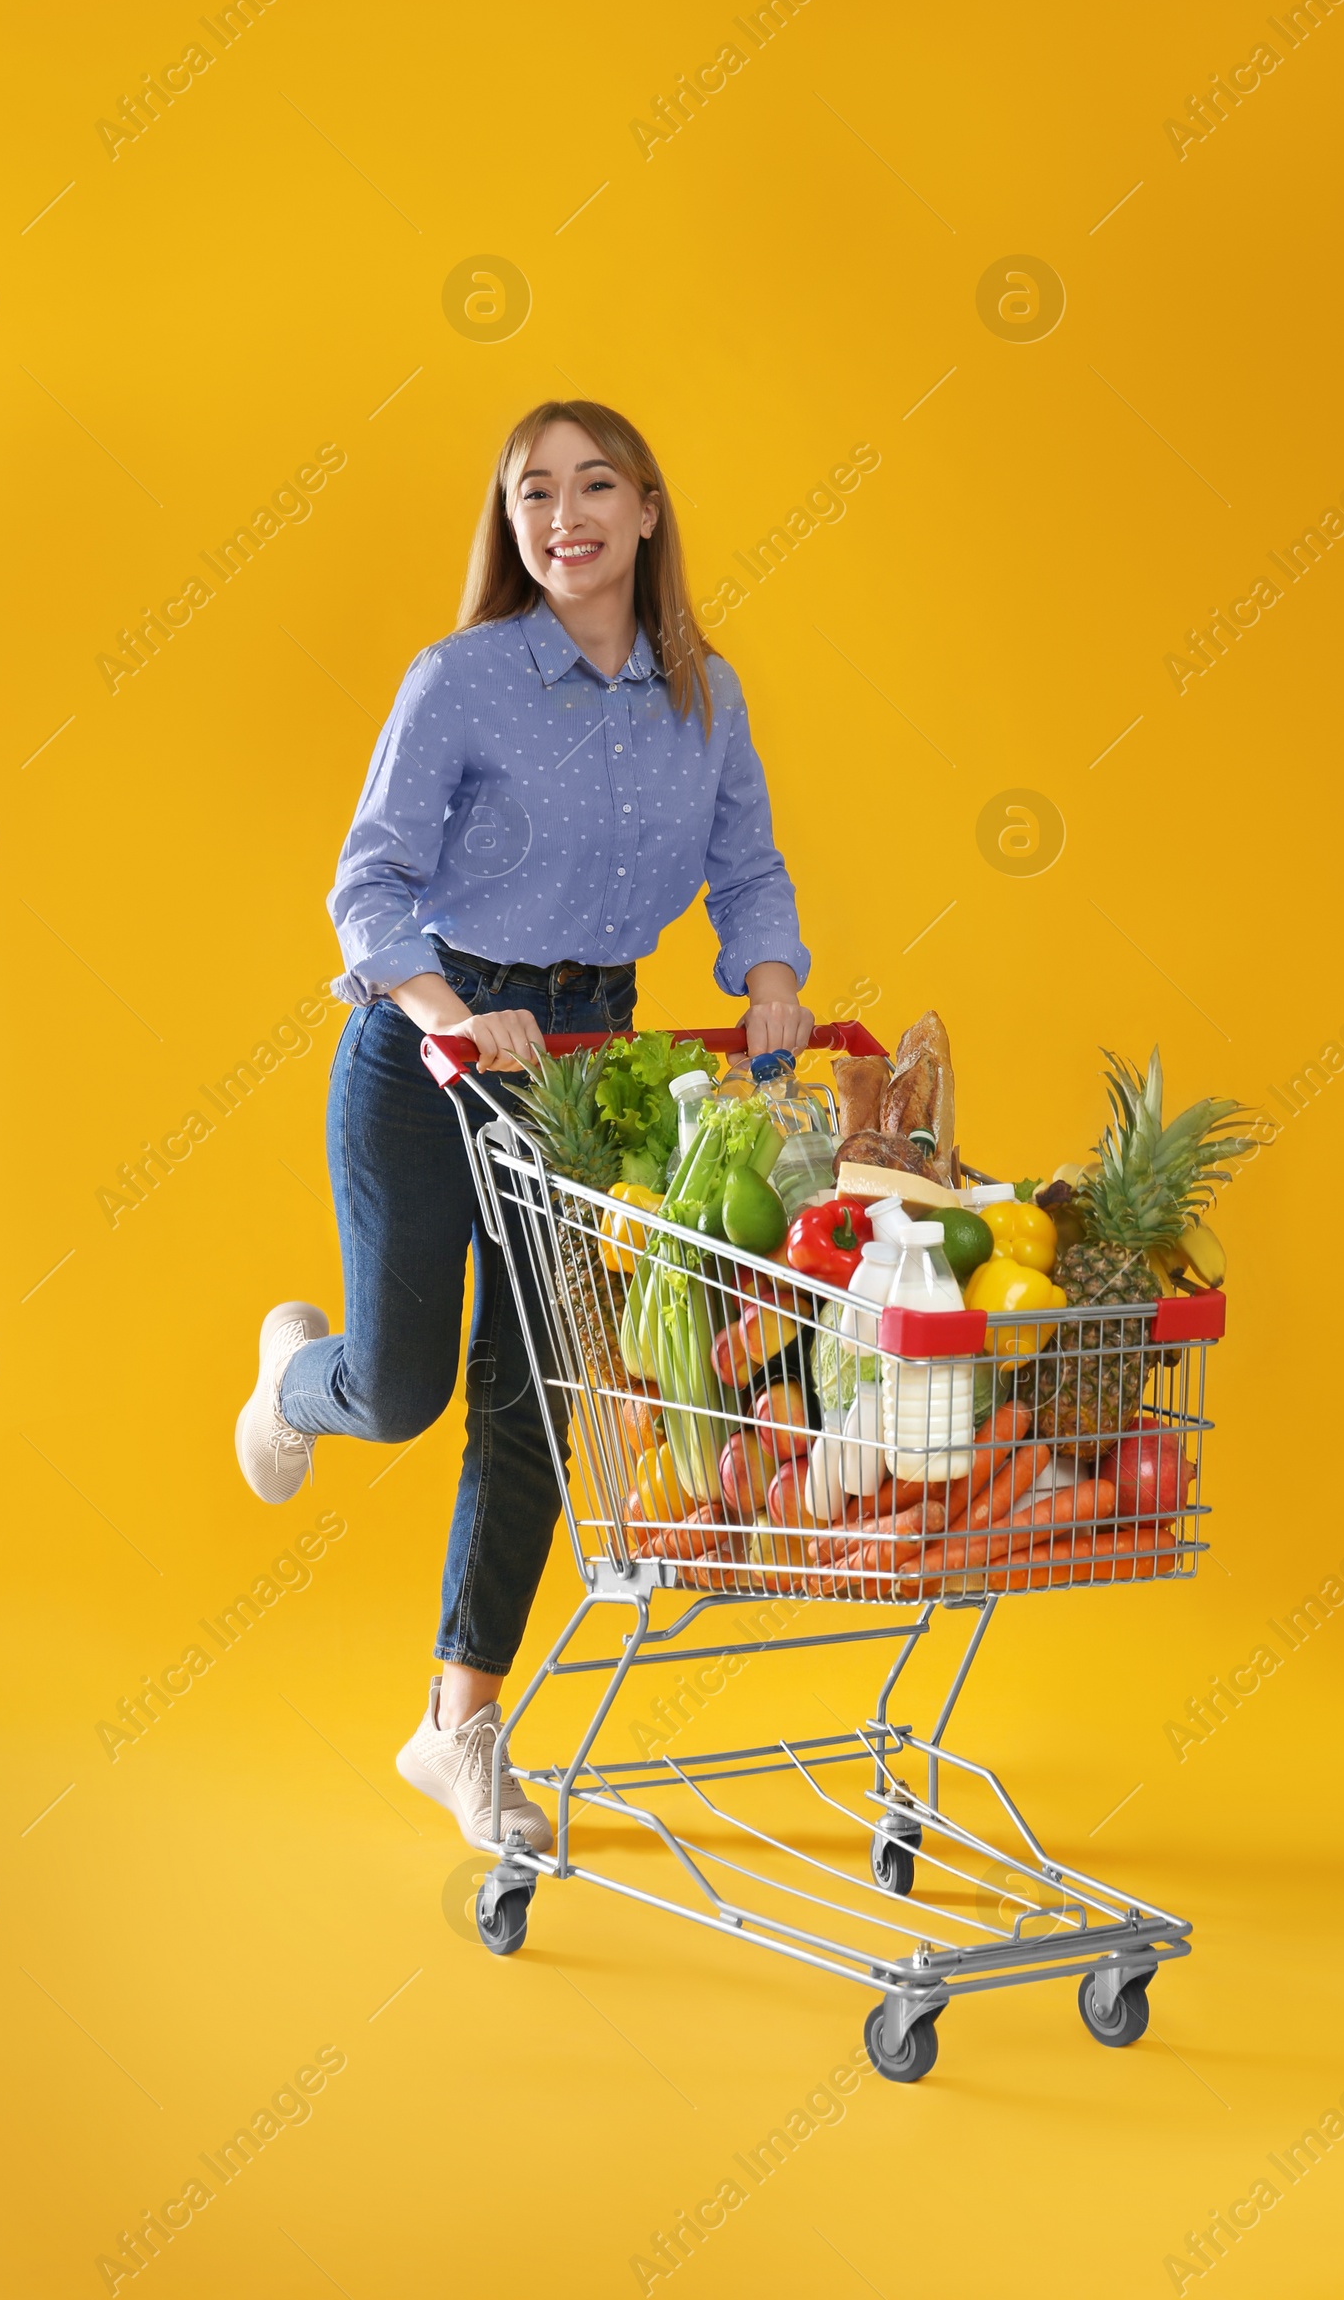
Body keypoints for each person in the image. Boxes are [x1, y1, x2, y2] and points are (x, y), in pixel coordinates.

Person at [234, 400, 811, 1854]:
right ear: (512, 525)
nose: (564, 515)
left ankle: (459, 1726)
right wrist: (443, 1009)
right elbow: (367, 887)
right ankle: (302, 1379)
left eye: (593, 485)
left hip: (587, 1070)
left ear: (649, 510)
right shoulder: (462, 680)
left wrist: (773, 984)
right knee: (407, 1388)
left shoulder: (705, 693)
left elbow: (747, 867)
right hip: (426, 1056)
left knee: (534, 1407)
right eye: (533, 494)